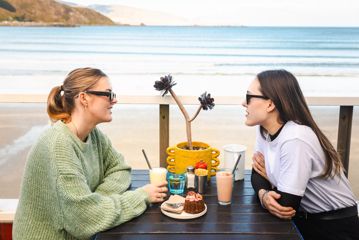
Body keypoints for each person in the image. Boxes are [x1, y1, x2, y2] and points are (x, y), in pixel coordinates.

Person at [13, 67, 168, 240]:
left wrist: (96, 203)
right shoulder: (59, 146)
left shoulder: (92, 134)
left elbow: (120, 169)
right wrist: (142, 196)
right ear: (84, 98)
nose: (114, 100)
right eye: (108, 94)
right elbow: (84, 220)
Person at [243, 69, 359, 239]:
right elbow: (257, 174)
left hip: (335, 226)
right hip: (306, 220)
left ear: (270, 104)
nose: (243, 103)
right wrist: (264, 194)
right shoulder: (265, 130)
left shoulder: (295, 138)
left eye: (248, 97)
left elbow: (286, 205)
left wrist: (269, 185)